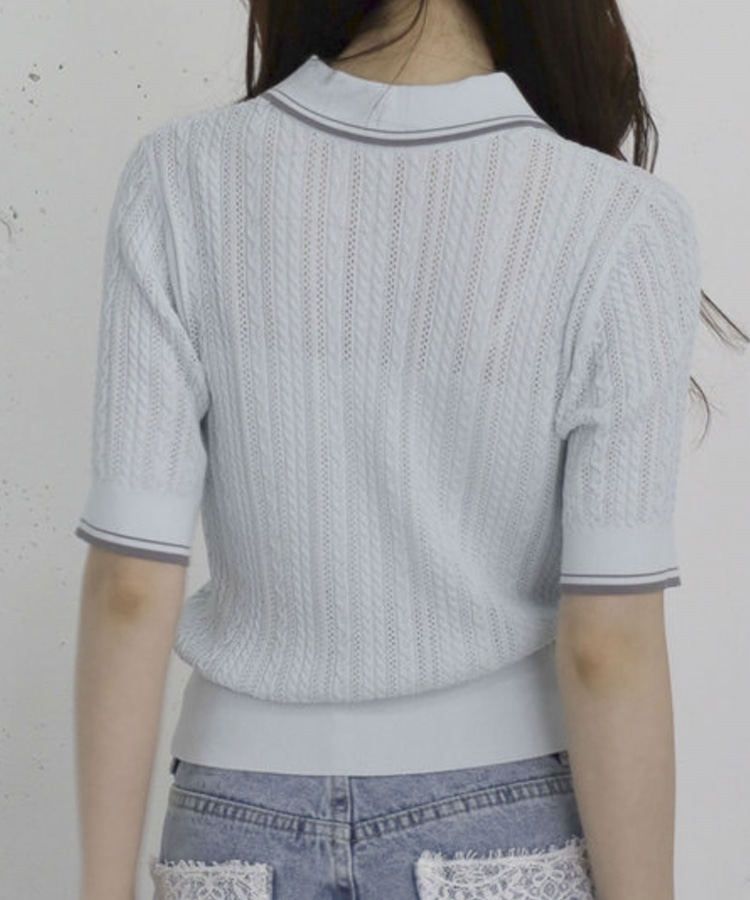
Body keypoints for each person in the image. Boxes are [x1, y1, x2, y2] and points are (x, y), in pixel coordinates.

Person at [72, 1, 746, 898]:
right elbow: (607, 646)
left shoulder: (180, 175)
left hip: (234, 819)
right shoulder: (621, 219)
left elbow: (130, 585)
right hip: (501, 816)